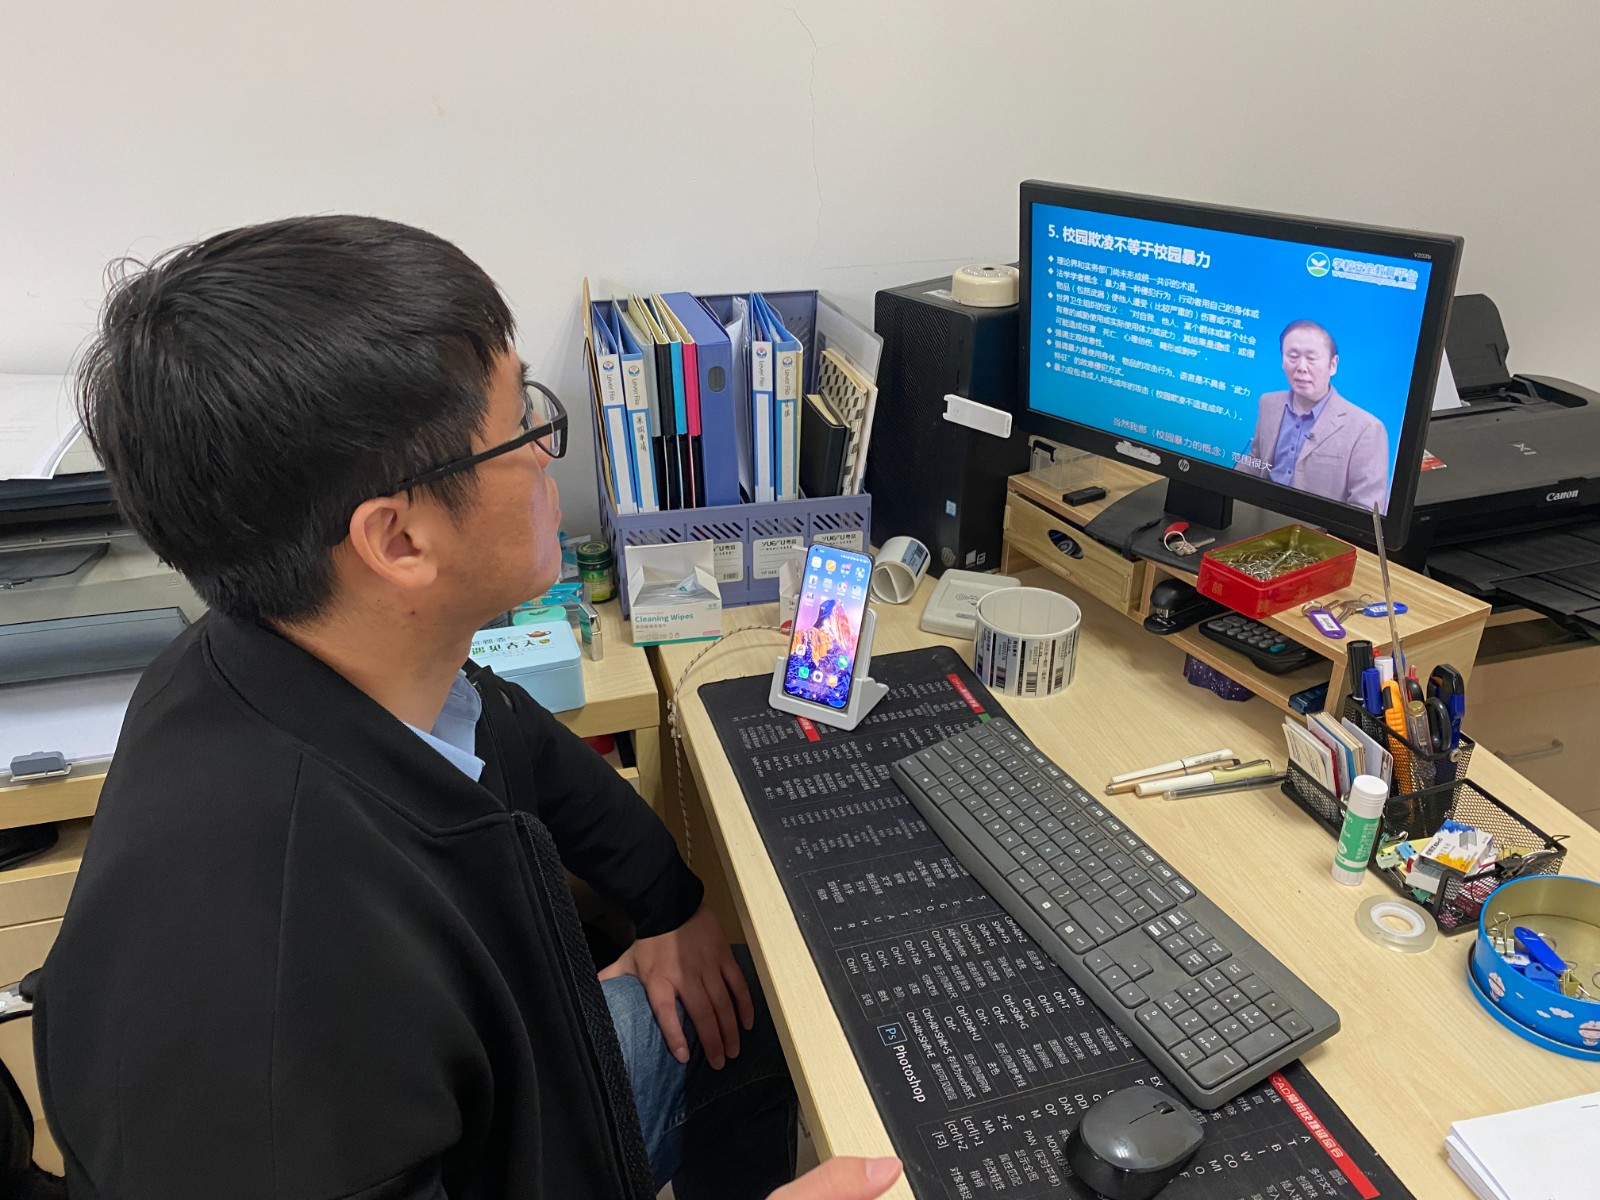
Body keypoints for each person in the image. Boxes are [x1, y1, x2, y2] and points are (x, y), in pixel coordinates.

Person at [33, 216, 902, 1200]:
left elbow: (520, 742)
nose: (547, 455)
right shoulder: (280, 1006)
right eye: (522, 427)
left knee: (750, 1013)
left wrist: (673, 906)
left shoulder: (282, 656)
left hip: (487, 1089)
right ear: (398, 541)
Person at [1234, 319, 1389, 510]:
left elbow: (1366, 508)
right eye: (1292, 356)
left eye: (1311, 358)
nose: (1301, 367)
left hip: (1318, 525)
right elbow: (1255, 461)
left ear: (1333, 364)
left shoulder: (1366, 429)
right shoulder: (1268, 404)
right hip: (1260, 515)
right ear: (1282, 360)